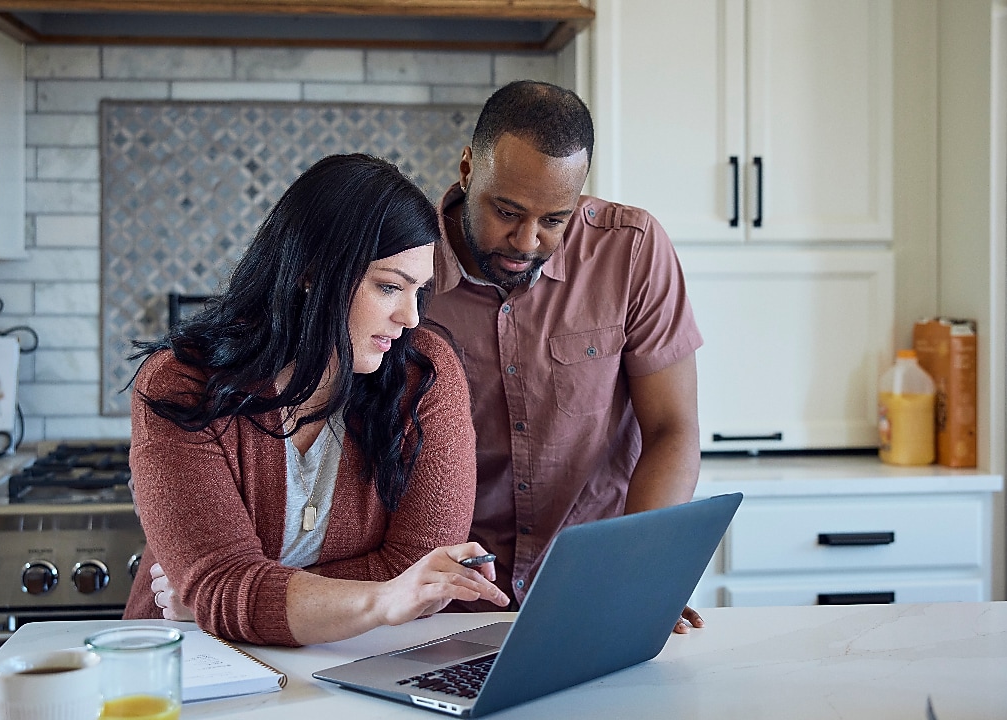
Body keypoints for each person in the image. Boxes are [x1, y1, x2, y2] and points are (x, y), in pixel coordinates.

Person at [123, 153, 508, 647]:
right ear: (310, 269)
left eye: (420, 291)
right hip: (191, 664)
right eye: (389, 286)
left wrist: (237, 596)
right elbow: (223, 584)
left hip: (358, 660)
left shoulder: (425, 375)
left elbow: (421, 573)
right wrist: (226, 593)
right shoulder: (181, 385)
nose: (411, 317)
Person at [427, 81, 705, 631]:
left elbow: (673, 429)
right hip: (443, 604)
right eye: (506, 211)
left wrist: (640, 573)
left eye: (554, 219)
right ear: (467, 169)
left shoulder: (631, 249)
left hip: (591, 593)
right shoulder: (405, 267)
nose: (527, 240)